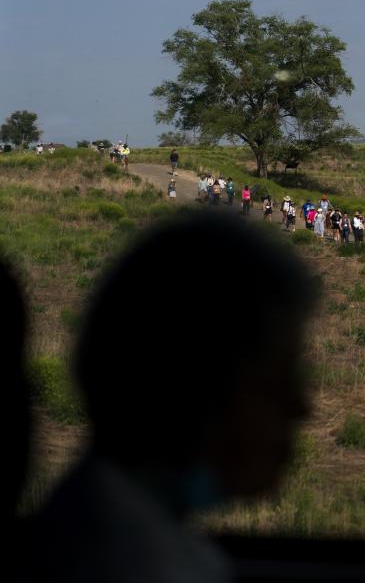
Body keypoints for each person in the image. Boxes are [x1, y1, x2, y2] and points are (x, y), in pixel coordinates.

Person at [27, 213, 316, 583]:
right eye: (275, 383)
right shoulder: (139, 563)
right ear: (193, 386)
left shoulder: (98, 526)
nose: (300, 408)